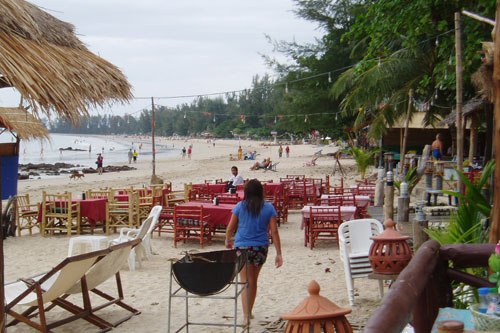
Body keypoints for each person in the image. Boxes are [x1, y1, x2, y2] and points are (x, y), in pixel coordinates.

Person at [225, 179, 282, 326]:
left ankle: (245, 316)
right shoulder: (269, 208)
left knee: (245, 282)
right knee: (254, 281)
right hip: (260, 248)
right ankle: (249, 312)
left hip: (242, 247)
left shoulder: (240, 206)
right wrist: (279, 253)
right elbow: (274, 232)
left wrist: (227, 241)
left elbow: (230, 227)